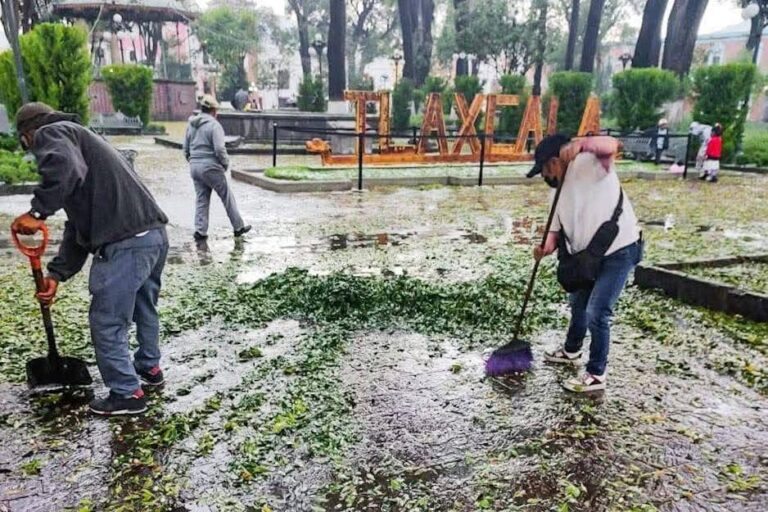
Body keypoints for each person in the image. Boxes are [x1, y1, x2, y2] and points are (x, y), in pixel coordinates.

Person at [11, 102, 169, 415]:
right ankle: (149, 368)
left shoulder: (51, 133)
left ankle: (127, 394)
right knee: (143, 306)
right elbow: (79, 226)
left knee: (107, 321)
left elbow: (64, 169)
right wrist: (56, 275)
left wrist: (38, 212)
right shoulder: (80, 137)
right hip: (152, 236)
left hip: (125, 244)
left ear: (27, 136)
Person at [527, 134, 643, 392]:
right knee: (578, 305)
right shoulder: (557, 195)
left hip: (619, 249)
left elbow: (612, 145)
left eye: (545, 169)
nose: (545, 176)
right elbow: (554, 234)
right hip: (586, 258)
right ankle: (571, 351)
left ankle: (596, 374)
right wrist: (543, 249)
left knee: (597, 311)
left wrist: (580, 144)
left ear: (556, 161)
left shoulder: (591, 163)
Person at [183, 94, 251, 241]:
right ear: (213, 111)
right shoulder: (214, 126)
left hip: (195, 167)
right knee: (226, 196)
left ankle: (200, 231)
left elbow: (185, 148)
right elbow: (220, 149)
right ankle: (238, 227)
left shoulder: (191, 125)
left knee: (201, 199)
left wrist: (192, 160)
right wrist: (225, 164)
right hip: (211, 167)